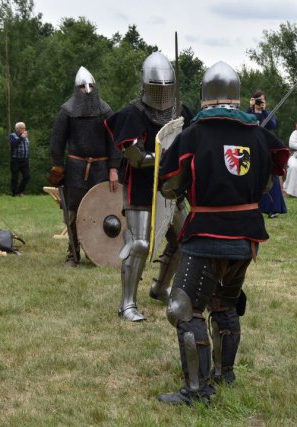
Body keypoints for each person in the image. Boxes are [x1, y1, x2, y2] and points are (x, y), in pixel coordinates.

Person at [157, 61, 289, 405]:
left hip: (208, 235)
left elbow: (170, 185)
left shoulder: (192, 135)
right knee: (224, 303)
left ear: (204, 97)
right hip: (247, 237)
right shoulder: (260, 136)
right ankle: (223, 372)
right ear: (236, 96)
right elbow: (266, 185)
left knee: (183, 309)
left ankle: (197, 390)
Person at [105, 52, 194, 322]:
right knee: (140, 243)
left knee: (184, 238)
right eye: (157, 87)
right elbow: (135, 156)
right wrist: (164, 156)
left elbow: (190, 141)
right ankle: (127, 304)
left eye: (167, 87)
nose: (163, 93)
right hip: (141, 186)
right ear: (145, 85)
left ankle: (161, 287)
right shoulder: (133, 114)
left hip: (171, 186)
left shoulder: (181, 111)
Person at [48, 66, 119, 267]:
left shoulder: (105, 111)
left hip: (101, 168)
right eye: (82, 87)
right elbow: (57, 141)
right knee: (73, 212)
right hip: (75, 169)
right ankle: (73, 253)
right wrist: (57, 167)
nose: (86, 90)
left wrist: (113, 168)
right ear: (76, 88)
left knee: (102, 212)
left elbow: (114, 141)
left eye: (89, 86)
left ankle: (98, 251)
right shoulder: (67, 111)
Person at [248, 90, 286, 218]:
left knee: (271, 177)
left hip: (266, 148)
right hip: (252, 148)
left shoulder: (268, 114)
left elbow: (273, 125)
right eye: (257, 100)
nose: (259, 103)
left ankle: (273, 208)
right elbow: (244, 124)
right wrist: (250, 108)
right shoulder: (248, 114)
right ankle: (253, 206)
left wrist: (263, 111)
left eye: (261, 100)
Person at [9, 122, 31, 197]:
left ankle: (20, 191)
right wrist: (21, 137)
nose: (24, 129)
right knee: (15, 177)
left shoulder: (25, 136)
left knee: (27, 176)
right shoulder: (13, 135)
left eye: (24, 128)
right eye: (22, 128)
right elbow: (13, 145)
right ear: (17, 129)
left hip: (25, 160)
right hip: (15, 159)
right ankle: (14, 193)